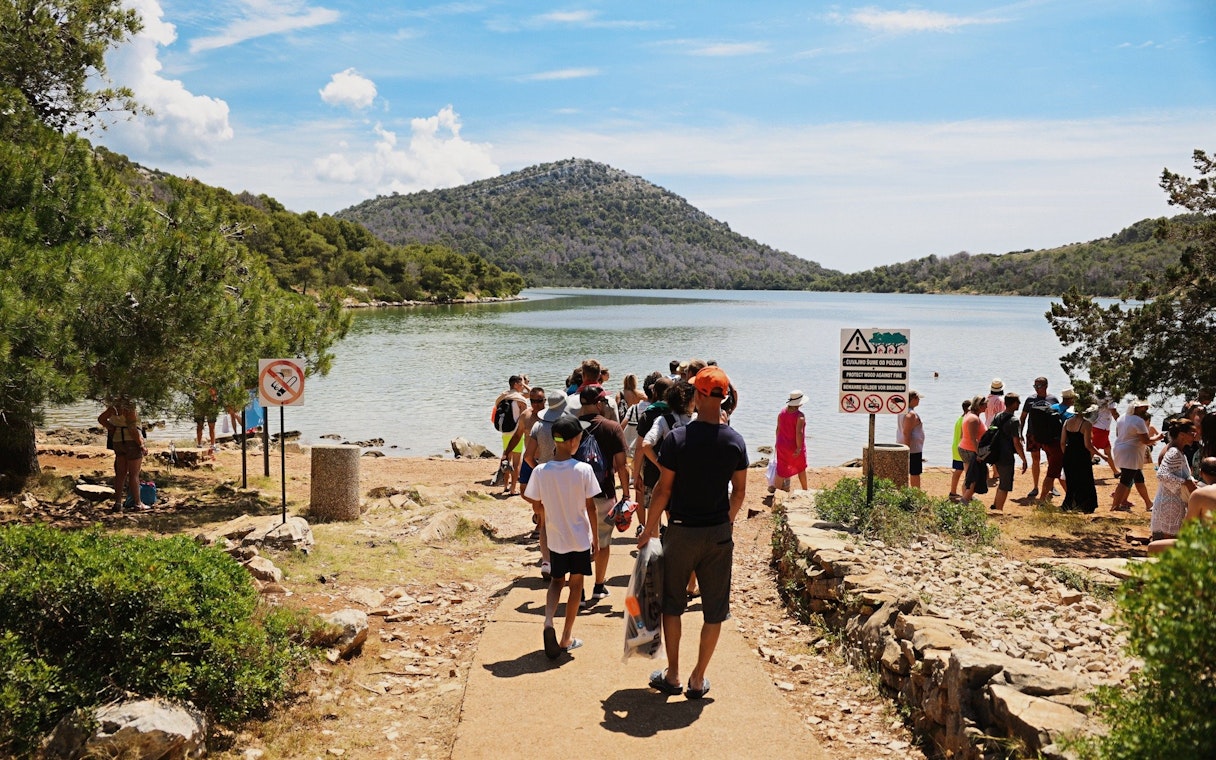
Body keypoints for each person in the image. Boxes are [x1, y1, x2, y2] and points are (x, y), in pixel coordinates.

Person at [639, 366, 748, 700]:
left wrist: (647, 531)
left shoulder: (678, 439)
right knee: (714, 610)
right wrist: (724, 523)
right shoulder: (735, 441)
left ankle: (672, 674)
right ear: (725, 396)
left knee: (673, 606)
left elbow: (663, 491)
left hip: (682, 532)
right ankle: (698, 679)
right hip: (717, 534)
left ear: (698, 395)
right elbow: (740, 492)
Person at [523, 414, 601, 659]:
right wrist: (596, 540)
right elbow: (591, 507)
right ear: (573, 441)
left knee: (557, 581)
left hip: (555, 538)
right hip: (578, 537)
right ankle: (567, 636)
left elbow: (534, 501)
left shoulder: (541, 471)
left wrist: (543, 511)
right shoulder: (583, 469)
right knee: (575, 585)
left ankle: (548, 622)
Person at [576, 385, 631, 607]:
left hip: (576, 495)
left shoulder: (572, 427)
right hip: (604, 492)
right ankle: (598, 587)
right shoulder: (612, 427)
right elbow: (621, 465)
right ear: (600, 404)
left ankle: (577, 592)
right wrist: (626, 494)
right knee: (604, 541)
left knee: (578, 541)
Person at [523, 391, 568, 579]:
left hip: (545, 477)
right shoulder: (568, 425)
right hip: (565, 475)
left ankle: (547, 562)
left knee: (545, 521)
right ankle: (564, 559)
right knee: (565, 519)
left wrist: (538, 468)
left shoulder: (538, 426)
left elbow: (527, 456)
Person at [1149, 418, 1199, 540]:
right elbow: (1161, 474)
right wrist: (1186, 482)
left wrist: (1190, 480)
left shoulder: (1178, 450)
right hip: (1170, 503)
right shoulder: (1173, 452)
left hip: (1173, 501)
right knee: (1171, 540)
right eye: (1192, 433)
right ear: (1182, 435)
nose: (1195, 436)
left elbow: (1178, 473)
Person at [1111, 399, 1161, 511]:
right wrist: (1159, 437)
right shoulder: (1138, 421)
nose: (1147, 409)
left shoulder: (1122, 417)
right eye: (1144, 407)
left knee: (1138, 478)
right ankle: (1115, 506)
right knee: (1125, 480)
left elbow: (1120, 434)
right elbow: (1146, 441)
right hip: (1131, 453)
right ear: (1136, 408)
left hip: (1120, 450)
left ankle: (1148, 503)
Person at [98, 399, 145, 511]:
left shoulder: (113, 407)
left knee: (120, 473)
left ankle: (118, 503)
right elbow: (132, 429)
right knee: (134, 474)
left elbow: (101, 419)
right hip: (131, 441)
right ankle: (138, 503)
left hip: (117, 440)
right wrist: (141, 444)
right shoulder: (129, 407)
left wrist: (112, 428)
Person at [1019, 377, 1062, 501]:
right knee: (1035, 459)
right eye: (1035, 386)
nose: (1036, 389)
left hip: (1049, 435)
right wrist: (1020, 432)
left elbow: (1057, 417)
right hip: (1033, 434)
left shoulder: (1053, 399)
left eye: (1039, 386)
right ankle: (1035, 487)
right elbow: (1023, 417)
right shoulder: (1030, 400)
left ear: (1046, 386)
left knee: (1051, 459)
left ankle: (1051, 486)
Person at [501, 386, 547, 494]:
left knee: (544, 491)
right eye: (533, 401)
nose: (536, 404)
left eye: (539, 401)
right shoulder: (525, 416)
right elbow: (517, 436)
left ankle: (540, 510)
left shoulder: (550, 416)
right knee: (524, 491)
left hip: (546, 460)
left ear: (545, 400)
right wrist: (507, 453)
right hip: (529, 459)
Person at [989, 393, 1028, 511]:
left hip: (996, 454)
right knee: (1005, 485)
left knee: (1002, 481)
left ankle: (995, 505)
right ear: (1014, 403)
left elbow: (990, 432)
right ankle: (998, 510)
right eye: (1018, 402)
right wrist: (1024, 460)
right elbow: (1017, 443)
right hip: (1006, 456)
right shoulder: (1014, 421)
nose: (1020, 404)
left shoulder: (997, 416)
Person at [492, 375, 529, 494]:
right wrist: (525, 385)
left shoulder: (503, 396)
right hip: (516, 433)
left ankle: (505, 486)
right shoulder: (519, 399)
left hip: (505, 432)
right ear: (517, 385)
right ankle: (513, 489)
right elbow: (525, 416)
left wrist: (522, 384)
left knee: (506, 458)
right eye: (521, 384)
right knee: (517, 462)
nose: (522, 386)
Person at [1060, 403, 1099, 513]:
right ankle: (1086, 506)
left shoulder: (1067, 422)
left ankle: (1069, 504)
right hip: (1082, 456)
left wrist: (1066, 454)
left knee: (1071, 482)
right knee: (1085, 481)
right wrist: (1102, 455)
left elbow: (1062, 442)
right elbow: (1088, 445)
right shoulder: (1086, 424)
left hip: (1069, 454)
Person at [774, 390, 808, 492]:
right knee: (801, 468)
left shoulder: (782, 413)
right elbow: (799, 433)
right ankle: (805, 490)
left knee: (781, 470)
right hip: (793, 445)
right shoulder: (800, 416)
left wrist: (776, 443)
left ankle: (777, 494)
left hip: (781, 444)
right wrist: (799, 448)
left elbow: (778, 429)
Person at [894, 390, 925, 488]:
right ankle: (916, 496)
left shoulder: (902, 411)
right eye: (918, 398)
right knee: (915, 473)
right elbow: (906, 433)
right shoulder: (910, 414)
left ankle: (908, 493)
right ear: (913, 399)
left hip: (907, 447)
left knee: (907, 471)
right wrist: (907, 450)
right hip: (912, 449)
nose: (919, 400)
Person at [960, 395, 988, 502]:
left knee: (969, 476)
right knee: (975, 478)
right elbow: (973, 439)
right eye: (985, 405)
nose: (986, 407)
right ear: (979, 405)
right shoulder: (973, 419)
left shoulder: (970, 415)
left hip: (966, 448)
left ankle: (967, 497)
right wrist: (979, 454)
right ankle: (965, 500)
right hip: (970, 450)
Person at [1091, 392, 1120, 477]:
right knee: (1092, 451)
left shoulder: (1098, 393)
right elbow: (1114, 412)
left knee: (1107, 450)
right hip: (1101, 429)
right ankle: (1083, 473)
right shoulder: (1110, 396)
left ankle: (1116, 472)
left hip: (1097, 427)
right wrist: (1122, 423)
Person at [949, 399, 971, 502]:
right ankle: (966, 495)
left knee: (958, 471)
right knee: (967, 472)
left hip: (955, 447)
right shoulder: (966, 420)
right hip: (962, 448)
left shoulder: (960, 418)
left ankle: (953, 492)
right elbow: (964, 435)